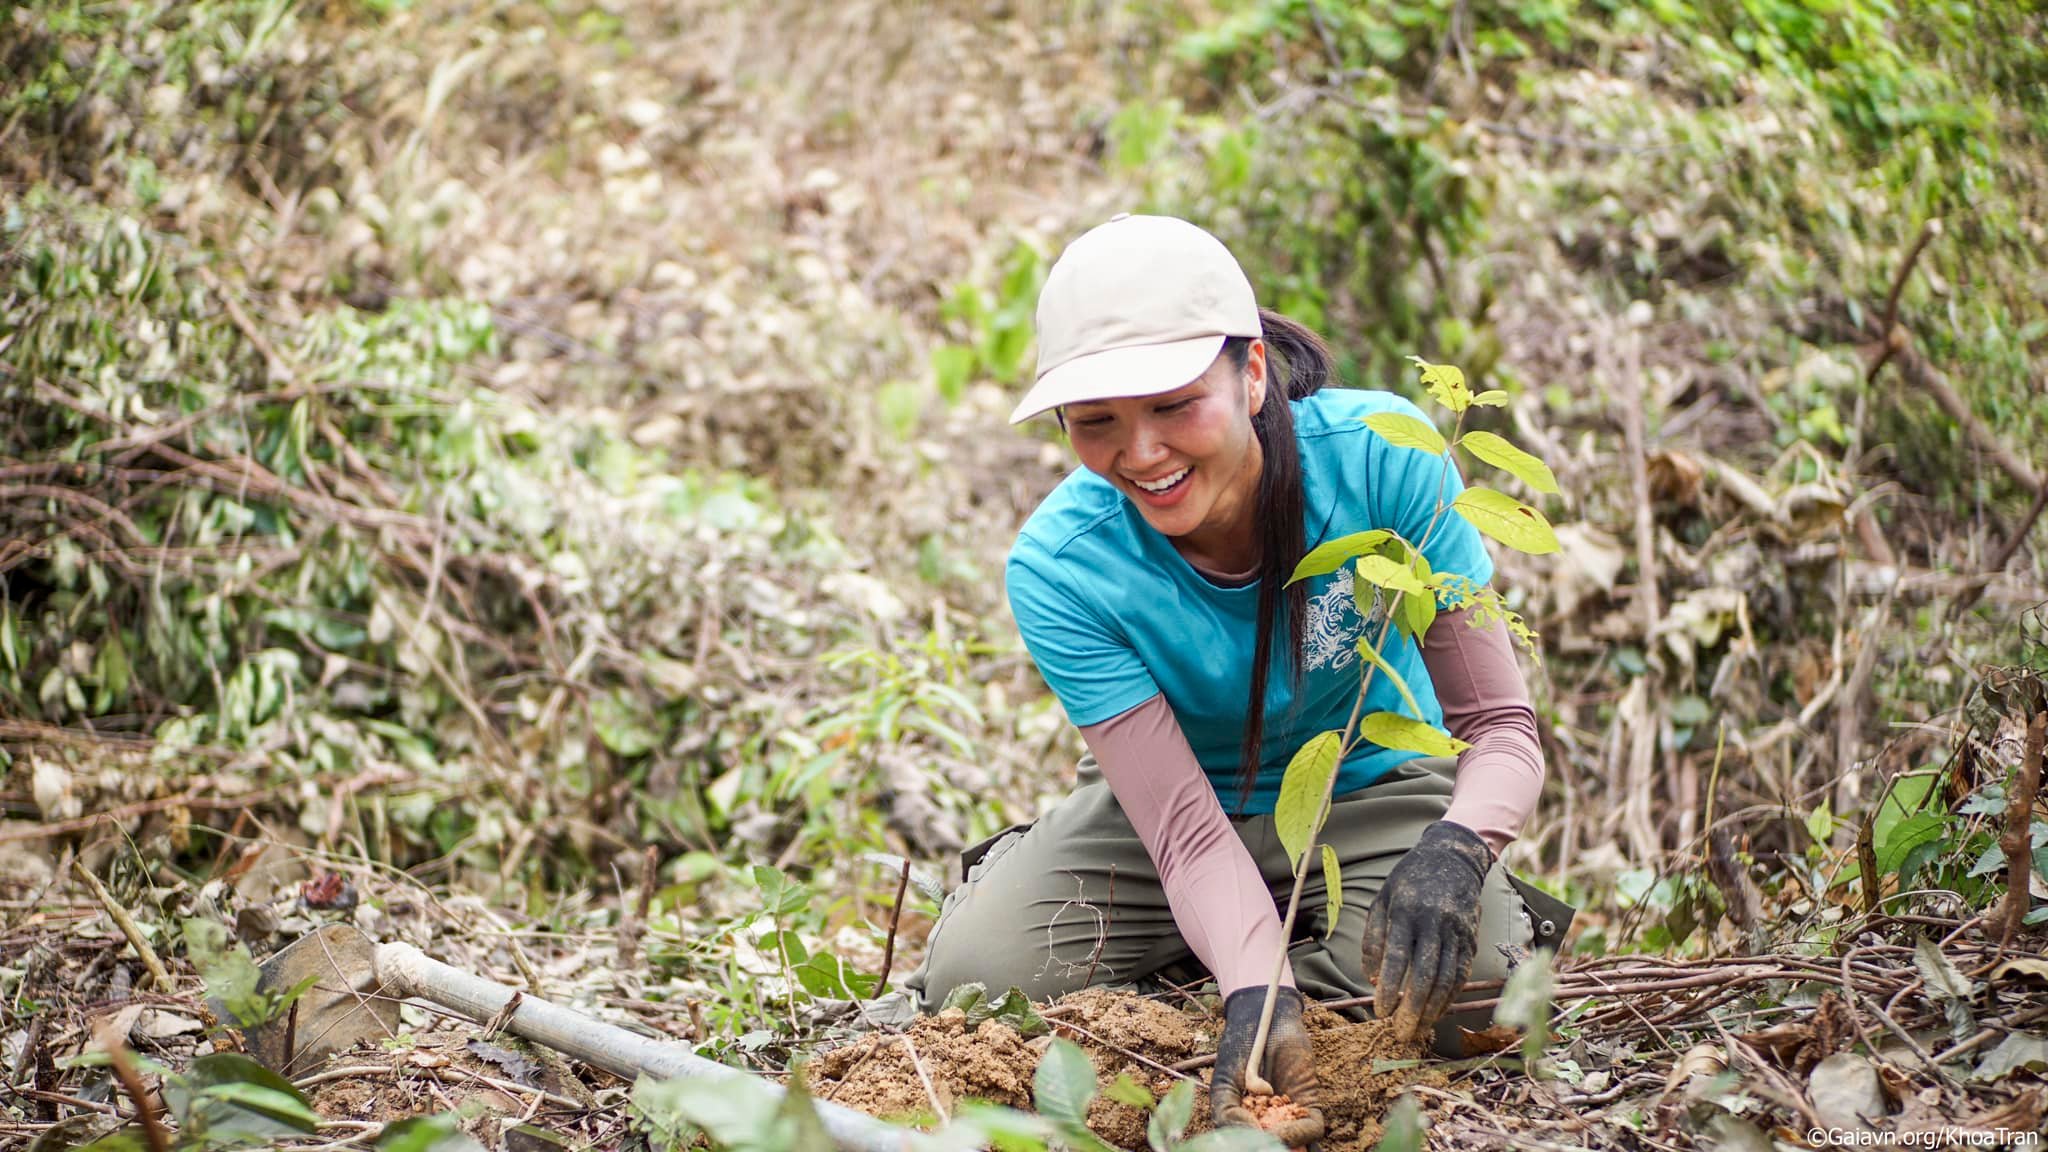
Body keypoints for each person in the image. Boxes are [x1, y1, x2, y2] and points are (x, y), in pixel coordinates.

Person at [903, 214, 1556, 1146]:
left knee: (1477, 995)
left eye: (1173, 405)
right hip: (1168, 814)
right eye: (1096, 424)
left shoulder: (1386, 457)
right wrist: (1256, 992)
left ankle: (1267, 954)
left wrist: (1457, 848)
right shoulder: (1063, 567)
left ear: (1251, 372)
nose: (1142, 454)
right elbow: (1181, 829)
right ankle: (1255, 962)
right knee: (981, 980)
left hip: (1365, 783)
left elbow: (1500, 725)